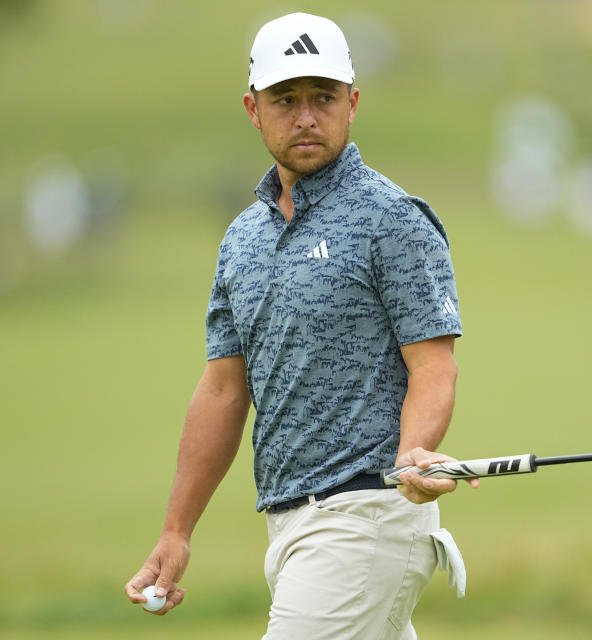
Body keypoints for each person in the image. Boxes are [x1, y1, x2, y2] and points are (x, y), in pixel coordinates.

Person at [124, 12, 473, 638]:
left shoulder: (391, 218)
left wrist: (414, 453)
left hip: (367, 514)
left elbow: (433, 364)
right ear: (254, 109)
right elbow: (224, 389)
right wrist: (177, 531)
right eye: (286, 100)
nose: (306, 116)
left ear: (353, 102)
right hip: (289, 524)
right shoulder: (243, 239)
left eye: (323, 97)